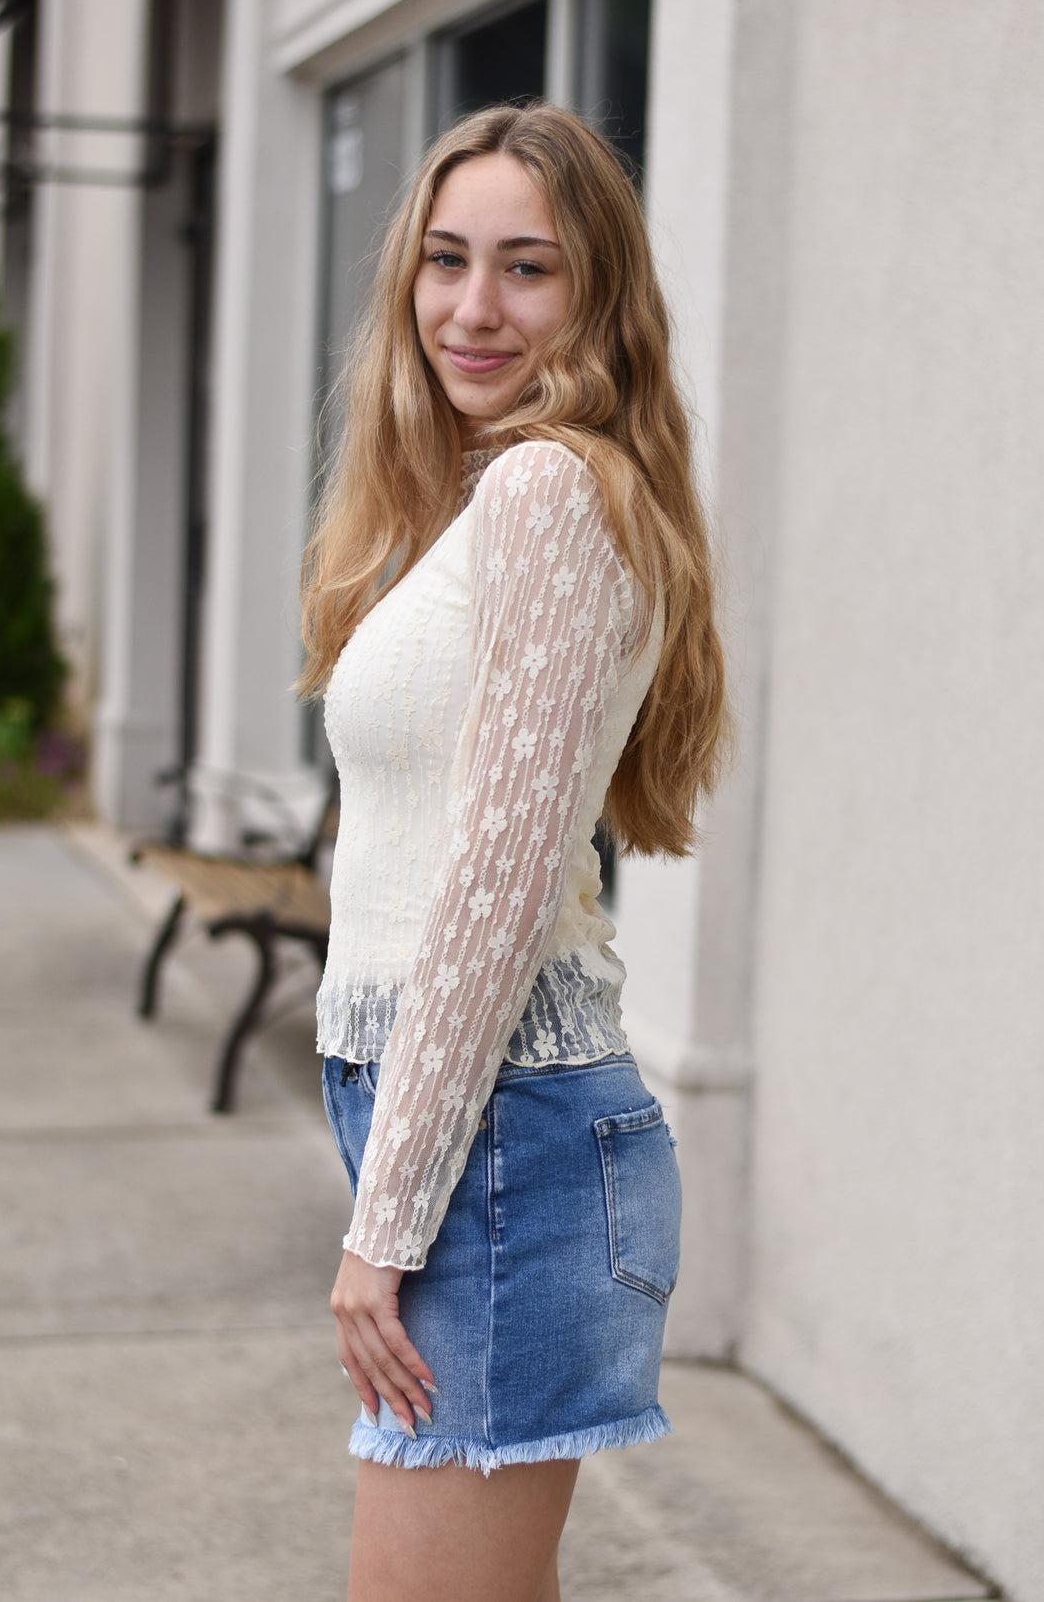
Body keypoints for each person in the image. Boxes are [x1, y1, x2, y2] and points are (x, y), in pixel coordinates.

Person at [299, 102, 730, 1602]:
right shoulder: (480, 501)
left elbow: (493, 894)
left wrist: (387, 1222)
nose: (472, 309)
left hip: (498, 1143)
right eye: (445, 261)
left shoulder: (550, 490)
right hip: (472, 1126)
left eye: (528, 268)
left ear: (597, 293)